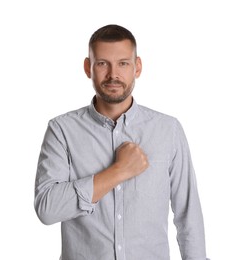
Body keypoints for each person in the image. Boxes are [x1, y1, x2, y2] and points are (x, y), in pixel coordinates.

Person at [34, 24, 210, 260]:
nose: (113, 75)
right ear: (88, 68)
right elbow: (47, 208)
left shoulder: (168, 130)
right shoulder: (61, 130)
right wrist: (118, 171)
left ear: (137, 67)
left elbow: (188, 214)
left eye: (123, 63)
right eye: (102, 63)